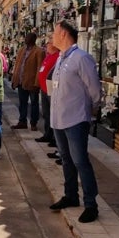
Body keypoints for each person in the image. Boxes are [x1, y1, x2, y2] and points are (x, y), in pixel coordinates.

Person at [48, 19, 101, 223]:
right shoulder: (61, 58)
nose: (52, 36)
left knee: (80, 161)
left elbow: (94, 89)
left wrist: (91, 110)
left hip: (76, 119)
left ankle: (91, 204)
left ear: (63, 34)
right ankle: (71, 196)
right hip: (59, 118)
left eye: (55, 32)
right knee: (67, 160)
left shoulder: (81, 58)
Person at [11, 32, 44, 131]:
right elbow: (17, 65)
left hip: (32, 82)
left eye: (28, 38)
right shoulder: (21, 50)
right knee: (22, 102)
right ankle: (22, 121)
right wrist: (14, 79)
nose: (26, 39)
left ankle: (33, 123)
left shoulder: (39, 51)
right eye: (26, 37)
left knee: (34, 103)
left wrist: (37, 83)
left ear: (33, 39)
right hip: (21, 81)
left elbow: (39, 67)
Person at [36, 35, 60, 150]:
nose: (47, 45)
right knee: (46, 114)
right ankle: (47, 134)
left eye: (49, 43)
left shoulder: (58, 57)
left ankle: (55, 139)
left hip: (52, 91)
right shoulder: (49, 56)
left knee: (53, 115)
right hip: (44, 89)